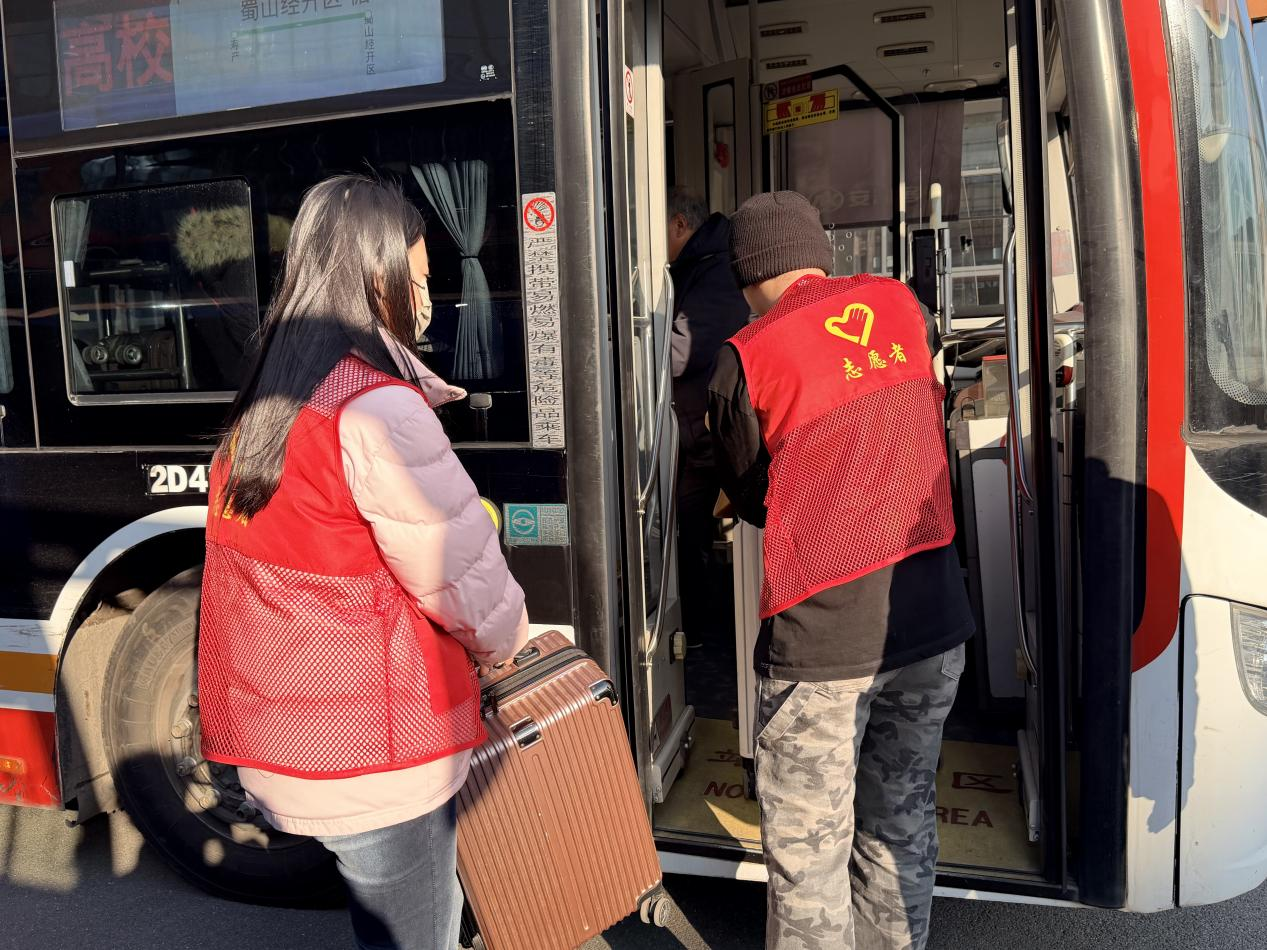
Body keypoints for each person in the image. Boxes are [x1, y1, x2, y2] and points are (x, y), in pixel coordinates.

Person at [198, 175, 530, 950]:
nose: (427, 299)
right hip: (380, 749)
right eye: (419, 279)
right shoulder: (375, 408)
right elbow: (458, 575)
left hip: (292, 740)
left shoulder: (266, 404)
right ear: (376, 280)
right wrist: (507, 645)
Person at [707, 191, 975, 950]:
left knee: (808, 860)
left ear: (744, 274)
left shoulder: (745, 355)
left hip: (823, 645)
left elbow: (753, 497)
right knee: (899, 825)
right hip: (932, 624)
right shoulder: (901, 306)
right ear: (818, 253)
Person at [666, 187, 750, 657]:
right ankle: (698, 631)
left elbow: (681, 353)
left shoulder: (713, 268)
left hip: (708, 430)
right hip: (700, 428)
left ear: (680, 224)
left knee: (693, 530)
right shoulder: (703, 263)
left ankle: (703, 635)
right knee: (691, 532)